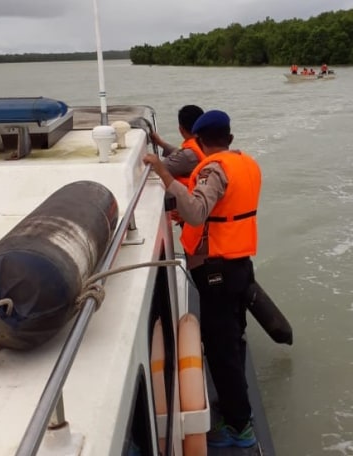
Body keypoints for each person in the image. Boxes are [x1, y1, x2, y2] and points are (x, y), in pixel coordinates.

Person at [143, 110, 261, 449]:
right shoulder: (247, 163)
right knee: (234, 343)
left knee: (222, 351)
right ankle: (239, 414)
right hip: (240, 266)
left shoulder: (214, 169)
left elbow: (197, 212)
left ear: (200, 141)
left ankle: (239, 428)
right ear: (230, 139)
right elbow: (225, 212)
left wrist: (163, 172)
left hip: (216, 272)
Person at [149, 104, 205, 186]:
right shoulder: (207, 143)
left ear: (181, 129)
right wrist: (161, 143)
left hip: (188, 195)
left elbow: (158, 171)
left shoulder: (187, 156)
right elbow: (183, 154)